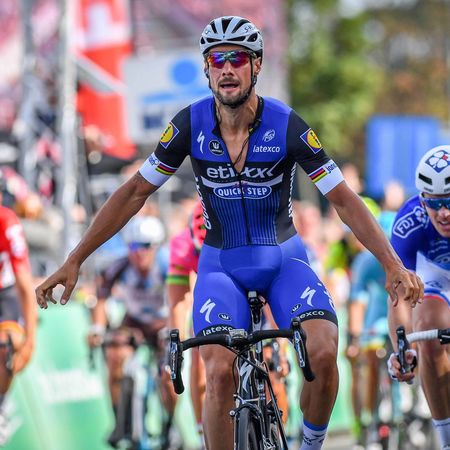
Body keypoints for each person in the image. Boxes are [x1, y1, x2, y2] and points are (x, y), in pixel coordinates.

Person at [36, 15, 423, 450]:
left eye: (237, 59)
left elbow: (345, 200)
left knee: (321, 351)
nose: (226, 69)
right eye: (216, 59)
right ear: (206, 69)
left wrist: (392, 264)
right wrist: (75, 259)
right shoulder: (188, 125)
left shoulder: (287, 124)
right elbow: (134, 192)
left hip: (283, 261)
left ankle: (310, 444)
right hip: (221, 266)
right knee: (218, 372)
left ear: (256, 65)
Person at [87, 214, 177, 448]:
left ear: (156, 247)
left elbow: (180, 302)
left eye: (145, 246)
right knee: (115, 355)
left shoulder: (167, 264)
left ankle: (170, 424)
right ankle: (119, 422)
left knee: (168, 376)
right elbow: (101, 296)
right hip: (135, 322)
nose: (139, 252)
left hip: (164, 323)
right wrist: (97, 328)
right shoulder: (120, 265)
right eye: (133, 247)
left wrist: (173, 330)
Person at [387, 145, 450, 450]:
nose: (444, 213)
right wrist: (403, 349)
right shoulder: (408, 222)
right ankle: (446, 438)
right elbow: (399, 296)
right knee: (427, 329)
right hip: (434, 276)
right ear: (423, 200)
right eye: (434, 204)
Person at [0, 172, 37, 445]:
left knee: (6, 344)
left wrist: (30, 340)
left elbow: (25, 284)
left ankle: (1, 405)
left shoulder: (7, 221)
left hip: (5, 293)